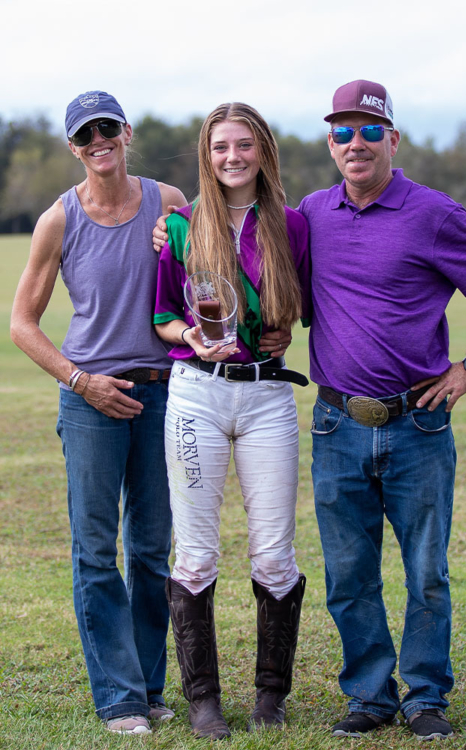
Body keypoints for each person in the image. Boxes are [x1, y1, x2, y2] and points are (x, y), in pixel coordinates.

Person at [297, 79, 466, 741]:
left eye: (369, 130)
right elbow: (256, 260)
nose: (355, 143)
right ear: (329, 143)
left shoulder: (432, 213)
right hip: (335, 423)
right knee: (347, 576)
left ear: (392, 139)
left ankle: (425, 698)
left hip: (417, 424)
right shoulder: (310, 213)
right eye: (342, 131)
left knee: (425, 574)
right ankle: (368, 696)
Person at [10, 91, 188, 735]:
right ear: (74, 147)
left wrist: (181, 246)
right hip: (90, 400)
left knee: (150, 550)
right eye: (86, 135)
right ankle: (118, 697)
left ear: (126, 132)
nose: (98, 142)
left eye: (107, 128)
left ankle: (149, 685)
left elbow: (202, 290)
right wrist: (81, 382)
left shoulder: (169, 202)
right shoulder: (58, 220)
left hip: (163, 394)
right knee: (95, 551)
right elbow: (22, 325)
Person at [153, 102, 311, 740]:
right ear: (206, 154)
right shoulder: (182, 227)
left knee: (274, 555)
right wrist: (192, 333)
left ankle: (270, 697)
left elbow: (306, 308)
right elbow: (162, 315)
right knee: (194, 555)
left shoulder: (294, 225)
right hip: (197, 395)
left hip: (268, 398)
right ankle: (203, 701)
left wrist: (282, 329)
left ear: (263, 151)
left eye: (244, 145)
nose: (232, 157)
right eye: (220, 147)